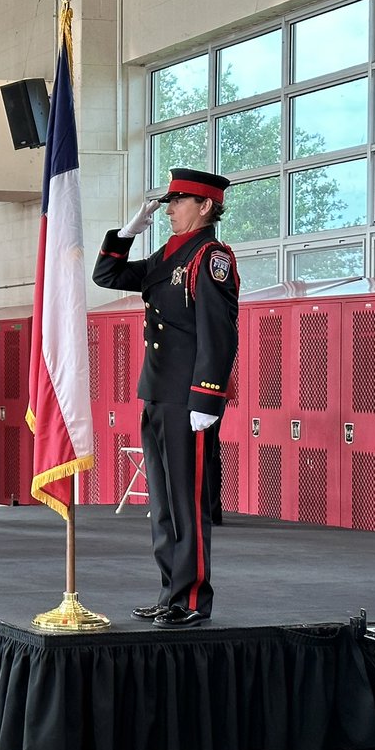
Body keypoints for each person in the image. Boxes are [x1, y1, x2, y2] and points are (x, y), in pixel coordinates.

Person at [92, 167, 239, 629]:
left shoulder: (210, 257)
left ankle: (192, 598)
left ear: (206, 207)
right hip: (156, 390)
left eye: (178, 201)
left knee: (186, 503)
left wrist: (207, 398)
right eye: (169, 201)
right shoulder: (171, 254)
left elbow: (219, 335)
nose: (169, 209)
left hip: (186, 398)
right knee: (162, 504)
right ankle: (169, 593)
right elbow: (108, 275)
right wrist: (126, 233)